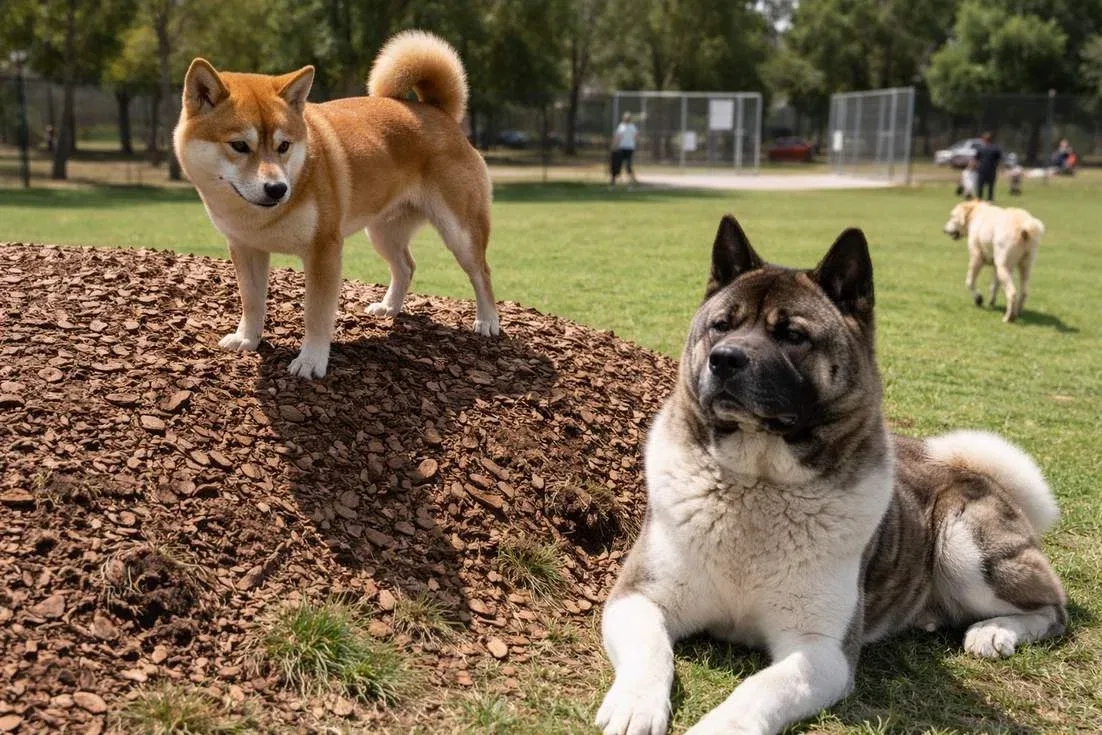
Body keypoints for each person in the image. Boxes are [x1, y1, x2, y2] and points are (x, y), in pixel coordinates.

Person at [610, 112, 639, 188]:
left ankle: (631, 184)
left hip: (629, 148)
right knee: (616, 165)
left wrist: (633, 143)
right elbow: (617, 137)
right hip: (621, 148)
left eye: (628, 118)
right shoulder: (621, 126)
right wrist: (614, 146)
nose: (627, 119)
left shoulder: (632, 127)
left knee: (628, 166)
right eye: (626, 118)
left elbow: (636, 136)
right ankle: (613, 184)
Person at [973, 131, 1002, 202]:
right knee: (991, 186)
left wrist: (973, 168)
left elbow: (976, 159)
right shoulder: (996, 148)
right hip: (992, 170)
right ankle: (990, 200)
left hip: (982, 169)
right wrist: (999, 168)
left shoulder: (980, 148)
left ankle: (979, 199)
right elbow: (999, 160)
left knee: (980, 185)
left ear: (984, 139)